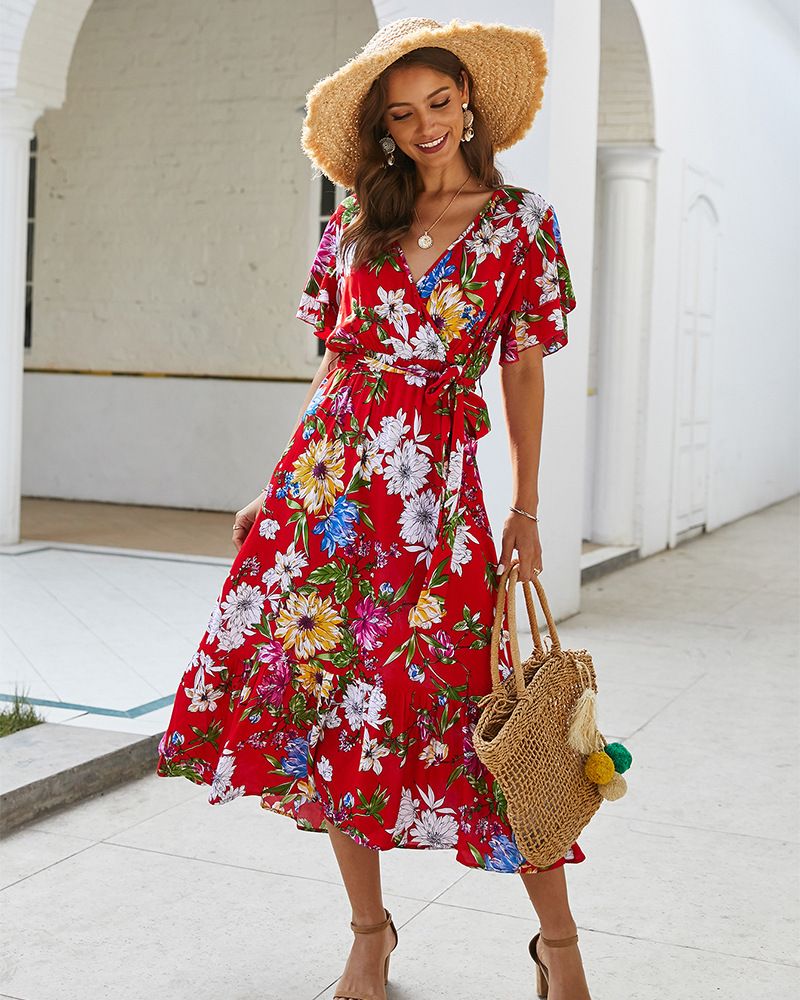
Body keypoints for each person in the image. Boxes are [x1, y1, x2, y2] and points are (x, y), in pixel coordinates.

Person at [156, 16, 590, 1000]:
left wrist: (524, 510)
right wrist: (276, 481)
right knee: (338, 711)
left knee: (479, 723)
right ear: (383, 130)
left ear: (467, 102)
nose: (425, 124)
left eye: (438, 103)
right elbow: (332, 363)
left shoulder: (521, 224)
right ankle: (368, 933)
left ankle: (557, 947)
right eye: (402, 113)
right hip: (331, 496)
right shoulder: (357, 217)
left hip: (439, 501)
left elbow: (521, 369)